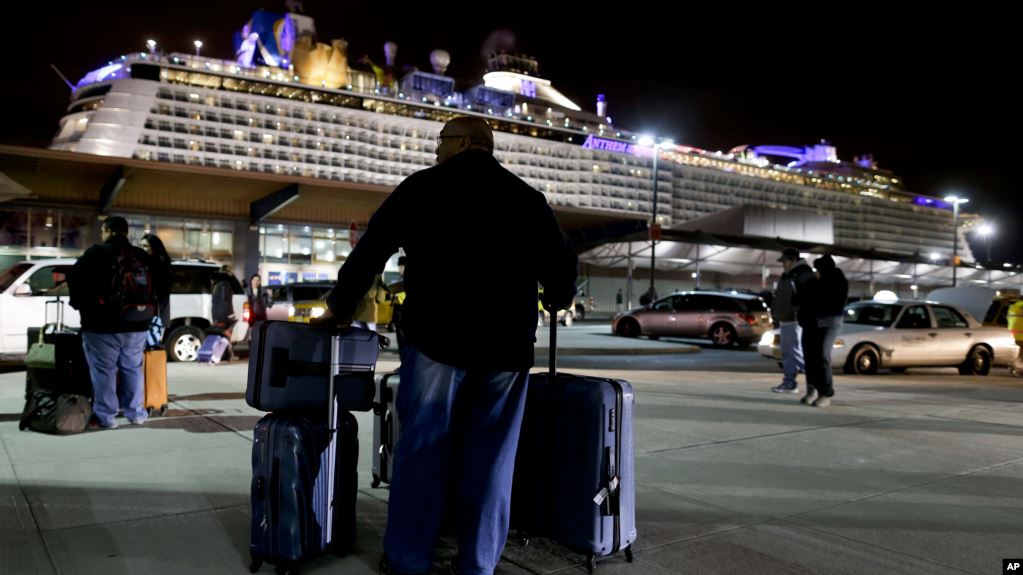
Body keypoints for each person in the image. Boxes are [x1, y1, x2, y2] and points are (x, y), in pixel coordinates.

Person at [314, 116, 578, 575]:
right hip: (506, 349)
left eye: (440, 142)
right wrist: (556, 294)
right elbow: (560, 273)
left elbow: (371, 250)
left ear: (462, 143)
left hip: (437, 339)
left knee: (423, 450)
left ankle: (409, 559)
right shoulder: (526, 198)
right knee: (492, 458)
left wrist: (340, 303)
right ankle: (477, 563)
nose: (436, 151)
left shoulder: (422, 187)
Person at [67, 216, 159, 429]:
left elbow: (75, 278)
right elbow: (160, 281)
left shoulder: (96, 253)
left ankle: (107, 416)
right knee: (133, 369)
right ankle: (136, 413)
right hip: (137, 324)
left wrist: (81, 306)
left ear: (107, 231)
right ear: (126, 232)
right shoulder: (140, 255)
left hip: (101, 326)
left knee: (103, 371)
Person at [796, 254, 848, 408]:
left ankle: (825, 393)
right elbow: (799, 299)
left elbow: (832, 300)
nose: (816, 271)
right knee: (810, 357)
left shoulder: (837, 280)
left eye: (818, 268)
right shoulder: (814, 281)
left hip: (829, 322)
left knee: (821, 356)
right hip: (811, 322)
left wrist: (817, 283)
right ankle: (811, 390)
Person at [770, 248, 814, 394]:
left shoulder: (803, 274)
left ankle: (816, 378)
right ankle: (789, 383)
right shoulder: (788, 275)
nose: (783, 264)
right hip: (785, 319)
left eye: (785, 261)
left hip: (795, 320)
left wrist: (799, 313)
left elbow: (807, 298)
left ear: (793, 260)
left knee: (795, 352)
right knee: (787, 353)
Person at [140, 234, 171, 348]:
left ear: (153, 248)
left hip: (153, 315)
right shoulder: (141, 264)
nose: (141, 248)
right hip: (144, 314)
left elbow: (160, 292)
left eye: (145, 246)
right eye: (140, 245)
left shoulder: (159, 265)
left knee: (149, 347)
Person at [211, 274, 237, 360]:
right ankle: (227, 355)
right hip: (224, 314)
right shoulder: (225, 285)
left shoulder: (217, 285)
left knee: (222, 334)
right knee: (226, 334)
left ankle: (222, 355)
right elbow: (225, 300)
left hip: (217, 314)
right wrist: (230, 313)